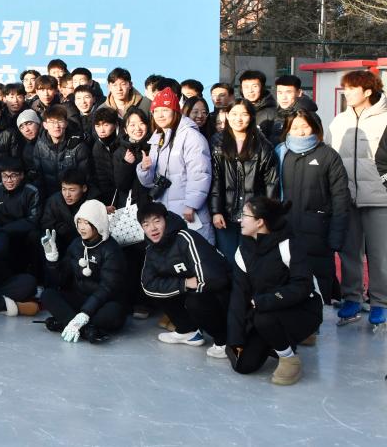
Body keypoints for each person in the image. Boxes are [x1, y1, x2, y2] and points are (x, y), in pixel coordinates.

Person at [227, 197, 323, 385]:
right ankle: (276, 340)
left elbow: (302, 287)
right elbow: (238, 296)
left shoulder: (289, 245)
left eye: (244, 215)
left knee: (264, 319)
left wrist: (264, 301)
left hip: (303, 310)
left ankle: (289, 358)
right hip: (265, 310)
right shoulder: (243, 251)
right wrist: (235, 339)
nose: (240, 220)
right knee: (243, 365)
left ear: (260, 222)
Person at [138, 201, 230, 358]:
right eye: (146, 224)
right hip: (194, 288)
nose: (152, 228)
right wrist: (184, 284)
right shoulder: (151, 250)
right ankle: (188, 331)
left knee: (195, 300)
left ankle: (224, 341)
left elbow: (212, 278)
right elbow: (148, 284)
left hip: (222, 293)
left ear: (166, 220)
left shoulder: (186, 238)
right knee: (161, 291)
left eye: (157, 221)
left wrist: (189, 286)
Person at [278, 110, 350, 304]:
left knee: (320, 283)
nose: (300, 131)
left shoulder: (328, 155)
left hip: (319, 234)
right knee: (288, 281)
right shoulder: (281, 153)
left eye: (305, 126)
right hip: (286, 231)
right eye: (294, 127)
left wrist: (336, 236)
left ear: (315, 127)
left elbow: (340, 197)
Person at [333, 69, 387, 327]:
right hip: (347, 197)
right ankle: (352, 298)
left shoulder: (384, 119)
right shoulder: (339, 121)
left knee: (380, 254)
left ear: (367, 91)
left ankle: (380, 302)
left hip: (380, 198)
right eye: (345, 88)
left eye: (352, 88)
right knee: (349, 252)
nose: (347, 93)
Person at [40, 199, 127, 343]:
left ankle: (67, 321)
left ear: (98, 223)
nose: (81, 227)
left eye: (87, 223)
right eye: (79, 222)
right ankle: (87, 330)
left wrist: (85, 313)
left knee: (113, 313)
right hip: (79, 298)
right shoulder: (76, 244)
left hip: (103, 302)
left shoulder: (111, 249)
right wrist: (52, 260)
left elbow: (107, 288)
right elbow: (61, 280)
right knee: (48, 295)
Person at [137, 87, 214, 243]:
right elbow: (149, 182)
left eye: (165, 110)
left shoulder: (191, 136)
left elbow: (200, 173)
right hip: (165, 212)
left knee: (195, 250)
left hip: (188, 212)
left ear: (175, 111)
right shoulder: (157, 138)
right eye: (156, 111)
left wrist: (192, 204)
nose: (160, 115)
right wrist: (144, 169)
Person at [209, 99, 280, 262]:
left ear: (251, 117)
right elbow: (215, 180)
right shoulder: (217, 143)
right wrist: (216, 211)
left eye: (244, 114)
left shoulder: (263, 146)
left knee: (251, 261)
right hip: (225, 215)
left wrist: (265, 215)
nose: (238, 119)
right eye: (234, 114)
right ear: (227, 115)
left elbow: (271, 184)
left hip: (253, 217)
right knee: (228, 260)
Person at [0, 158, 41, 273]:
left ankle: (36, 274)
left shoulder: (31, 191)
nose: (9, 180)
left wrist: (5, 230)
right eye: (5, 176)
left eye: (13, 176)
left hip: (22, 231)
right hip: (1, 232)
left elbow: (33, 220)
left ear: (21, 175)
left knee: (35, 236)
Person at [31, 105, 92, 200]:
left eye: (60, 121)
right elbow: (39, 178)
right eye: (52, 122)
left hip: (75, 198)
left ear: (66, 123)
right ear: (45, 125)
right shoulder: (40, 146)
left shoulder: (78, 146)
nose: (56, 126)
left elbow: (86, 177)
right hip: (50, 198)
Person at [112, 107, 151, 208]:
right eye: (132, 125)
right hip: (131, 205)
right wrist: (126, 164)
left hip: (153, 203)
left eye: (141, 123)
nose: (137, 128)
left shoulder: (155, 147)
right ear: (125, 129)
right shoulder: (120, 152)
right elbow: (121, 186)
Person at [271, 75, 319, 142]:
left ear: (299, 93)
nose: (283, 97)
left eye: (288, 92)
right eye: (280, 93)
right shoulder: (278, 112)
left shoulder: (308, 116)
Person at [88, 107, 120, 206]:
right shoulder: (97, 147)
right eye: (97, 126)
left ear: (115, 124)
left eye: (106, 125)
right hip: (110, 196)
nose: (101, 130)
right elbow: (101, 177)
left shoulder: (124, 142)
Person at [239, 70, 277, 139]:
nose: (250, 91)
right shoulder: (237, 109)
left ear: (262, 87)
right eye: (246, 87)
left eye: (255, 86)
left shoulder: (272, 112)